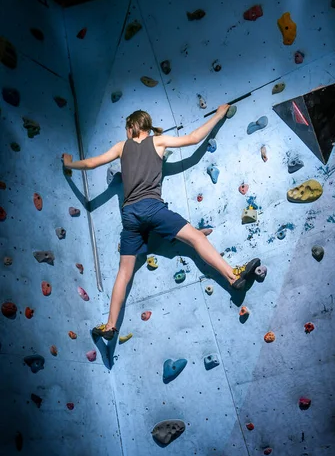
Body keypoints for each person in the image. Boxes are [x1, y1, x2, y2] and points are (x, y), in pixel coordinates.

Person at [63, 104, 261, 340]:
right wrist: (219, 114)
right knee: (196, 238)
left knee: (124, 272)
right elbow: (193, 138)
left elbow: (91, 163)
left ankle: (110, 325)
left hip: (130, 215)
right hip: (152, 207)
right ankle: (232, 276)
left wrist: (69, 164)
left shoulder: (120, 147)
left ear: (131, 127)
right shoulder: (158, 141)